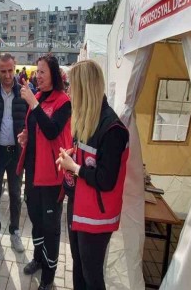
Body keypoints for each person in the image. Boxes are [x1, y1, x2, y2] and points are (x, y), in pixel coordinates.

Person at [56, 60, 129, 290]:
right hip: (79, 206)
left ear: (84, 88)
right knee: (79, 267)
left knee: (92, 275)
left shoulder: (113, 128)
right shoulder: (87, 117)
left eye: (71, 86)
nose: (68, 91)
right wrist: (71, 157)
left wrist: (75, 168)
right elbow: (87, 158)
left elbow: (106, 180)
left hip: (97, 215)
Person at [16, 54, 72, 290]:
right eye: (36, 71)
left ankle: (49, 275)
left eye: (42, 72)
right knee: (36, 221)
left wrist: (34, 104)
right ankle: (38, 258)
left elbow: (51, 131)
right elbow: (36, 129)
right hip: (32, 173)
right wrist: (25, 136)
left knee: (50, 227)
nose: (36, 76)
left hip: (51, 177)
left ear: (53, 74)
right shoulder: (37, 97)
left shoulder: (63, 102)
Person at [0, 53, 28, 254]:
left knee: (15, 194)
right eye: (3, 71)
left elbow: (31, 122)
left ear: (15, 67)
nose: (8, 75)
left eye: (10, 70)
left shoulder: (25, 93)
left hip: (16, 152)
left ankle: (15, 230)